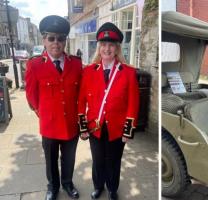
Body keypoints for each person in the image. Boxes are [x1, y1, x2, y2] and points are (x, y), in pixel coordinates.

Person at [77, 22, 140, 200]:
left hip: (117, 128)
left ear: (117, 48)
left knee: (114, 161)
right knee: (97, 160)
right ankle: (98, 186)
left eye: (111, 45)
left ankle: (112, 188)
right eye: (103, 45)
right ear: (99, 47)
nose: (107, 49)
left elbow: (133, 104)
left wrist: (128, 131)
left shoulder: (128, 72)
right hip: (95, 127)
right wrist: (82, 128)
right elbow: (81, 102)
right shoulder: (88, 71)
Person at [25, 15, 82, 200]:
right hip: (49, 125)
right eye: (51, 38)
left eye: (60, 38)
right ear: (44, 40)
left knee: (69, 158)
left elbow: (82, 92)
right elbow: (31, 96)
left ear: (65, 40)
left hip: (71, 123)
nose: (56, 43)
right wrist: (43, 114)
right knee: (50, 161)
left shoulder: (76, 63)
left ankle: (67, 183)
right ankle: (52, 187)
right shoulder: (34, 65)